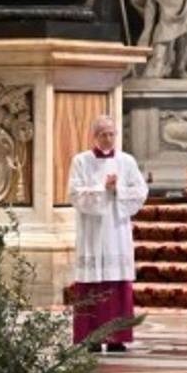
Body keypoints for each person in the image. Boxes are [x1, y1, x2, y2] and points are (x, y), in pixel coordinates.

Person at [67, 115, 149, 352]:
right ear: (94, 135)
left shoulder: (127, 161)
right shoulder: (81, 161)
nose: (108, 138)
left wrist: (118, 190)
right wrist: (102, 190)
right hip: (92, 230)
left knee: (116, 283)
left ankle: (117, 337)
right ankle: (90, 337)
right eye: (103, 133)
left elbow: (140, 191)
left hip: (116, 229)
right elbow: (74, 194)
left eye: (112, 134)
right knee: (91, 283)